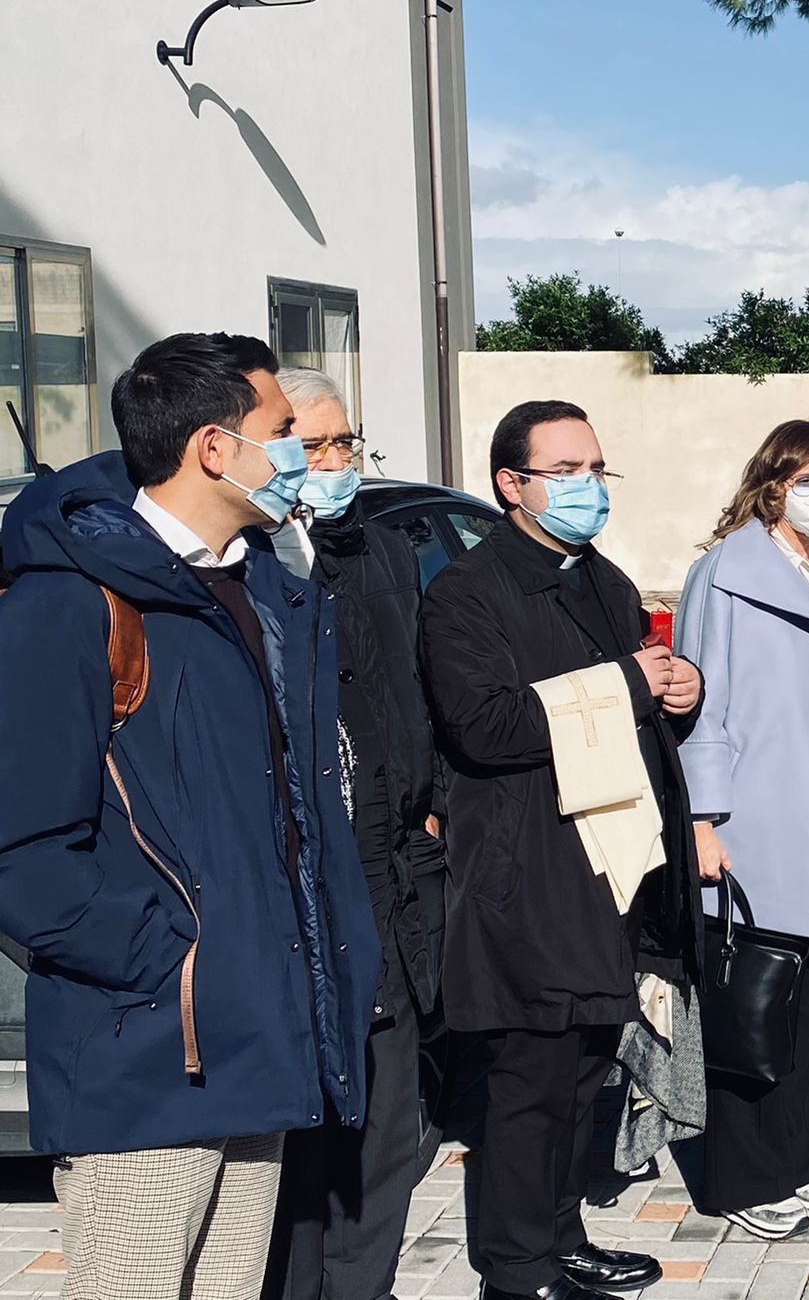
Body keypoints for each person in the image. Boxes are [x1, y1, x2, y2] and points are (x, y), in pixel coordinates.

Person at [0, 332, 378, 1300]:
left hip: (260, 1043)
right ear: (214, 448)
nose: (302, 452)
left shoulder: (262, 589)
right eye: (282, 431)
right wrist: (163, 960)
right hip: (145, 1062)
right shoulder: (70, 601)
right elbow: (22, 855)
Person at [420, 400, 700, 1300]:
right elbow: (485, 726)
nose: (589, 489)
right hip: (525, 868)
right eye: (566, 471)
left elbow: (639, 707)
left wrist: (679, 693)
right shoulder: (466, 594)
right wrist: (627, 684)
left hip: (609, 862)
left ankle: (561, 1235)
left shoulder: (603, 581)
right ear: (512, 483)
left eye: (596, 470)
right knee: (528, 1081)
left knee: (585, 1069)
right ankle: (515, 1269)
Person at [678, 421, 809, 1241]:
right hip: (755, 817)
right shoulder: (724, 573)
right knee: (750, 1004)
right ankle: (742, 1177)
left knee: (804, 1005)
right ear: (770, 480)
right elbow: (702, 707)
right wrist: (701, 820)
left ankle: (795, 1162)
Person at [267, 369, 446, 1299]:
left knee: (388, 1136)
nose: (336, 463)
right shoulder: (254, 564)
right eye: (315, 444)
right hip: (301, 896)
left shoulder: (378, 551)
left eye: (347, 444)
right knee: (304, 1163)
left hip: (394, 881)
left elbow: (417, 693)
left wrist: (432, 807)